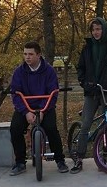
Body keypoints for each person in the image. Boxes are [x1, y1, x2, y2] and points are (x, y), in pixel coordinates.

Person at [70, 17, 107, 174]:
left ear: (104, 30)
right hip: (91, 92)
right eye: (93, 29)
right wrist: (84, 82)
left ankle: (104, 156)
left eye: (98, 29)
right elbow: (80, 68)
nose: (96, 32)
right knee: (86, 123)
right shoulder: (87, 48)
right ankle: (79, 158)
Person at [9, 41, 68, 175]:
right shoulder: (19, 72)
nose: (27, 57)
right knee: (15, 128)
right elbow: (15, 94)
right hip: (26, 107)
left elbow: (53, 93)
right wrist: (26, 112)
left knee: (51, 128)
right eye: (25, 54)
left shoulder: (49, 71)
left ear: (39, 55)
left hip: (45, 106)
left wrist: (43, 111)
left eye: (30, 54)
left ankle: (60, 160)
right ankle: (20, 162)